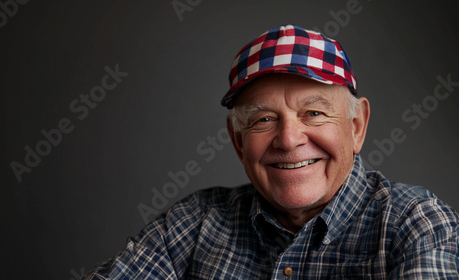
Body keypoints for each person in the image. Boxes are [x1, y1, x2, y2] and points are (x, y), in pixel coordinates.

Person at [83, 24, 459, 279]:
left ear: (356, 126)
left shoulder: (414, 223)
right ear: (238, 142)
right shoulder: (193, 223)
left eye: (313, 113)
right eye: (263, 119)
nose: (289, 139)